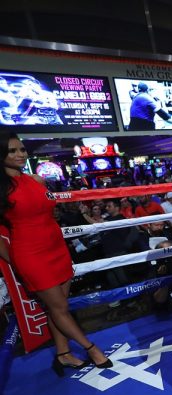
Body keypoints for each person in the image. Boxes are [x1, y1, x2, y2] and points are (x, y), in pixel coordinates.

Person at [0, 132, 112, 375]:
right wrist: (18, 261)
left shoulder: (36, 180)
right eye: (12, 151)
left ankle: (63, 354)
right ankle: (91, 348)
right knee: (60, 308)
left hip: (56, 247)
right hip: (30, 254)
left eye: (21, 149)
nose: (20, 154)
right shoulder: (1, 190)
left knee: (58, 308)